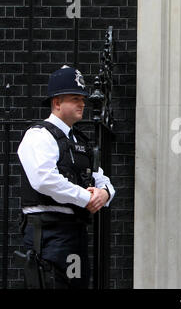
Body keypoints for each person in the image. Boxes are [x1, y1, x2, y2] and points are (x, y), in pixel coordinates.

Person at [17, 65, 115, 288]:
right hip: (50, 234)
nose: (82, 103)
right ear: (57, 102)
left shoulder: (79, 141)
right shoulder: (39, 136)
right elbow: (44, 179)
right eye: (74, 98)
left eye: (82, 98)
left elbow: (100, 178)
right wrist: (85, 197)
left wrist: (104, 193)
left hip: (74, 233)